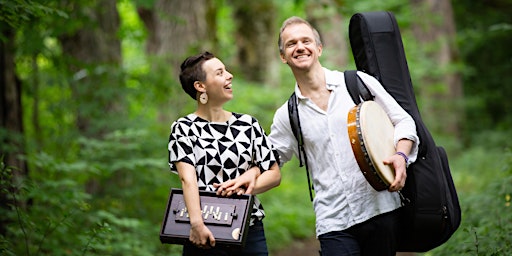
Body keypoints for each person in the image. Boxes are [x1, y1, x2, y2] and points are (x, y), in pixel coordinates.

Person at [268, 16, 420, 256]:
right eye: (291, 44)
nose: (299, 47)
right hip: (333, 221)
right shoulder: (288, 114)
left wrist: (401, 155)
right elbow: (269, 159)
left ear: (319, 48)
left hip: (380, 208)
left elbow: (403, 121)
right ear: (283, 57)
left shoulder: (356, 83)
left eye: (306, 40)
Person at [168, 51, 281, 255]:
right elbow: (188, 180)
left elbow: (273, 174)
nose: (229, 75)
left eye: (226, 70)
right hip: (205, 228)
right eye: (220, 73)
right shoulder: (183, 128)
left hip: (249, 229)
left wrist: (246, 188)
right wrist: (196, 224)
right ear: (200, 86)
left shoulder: (248, 124)